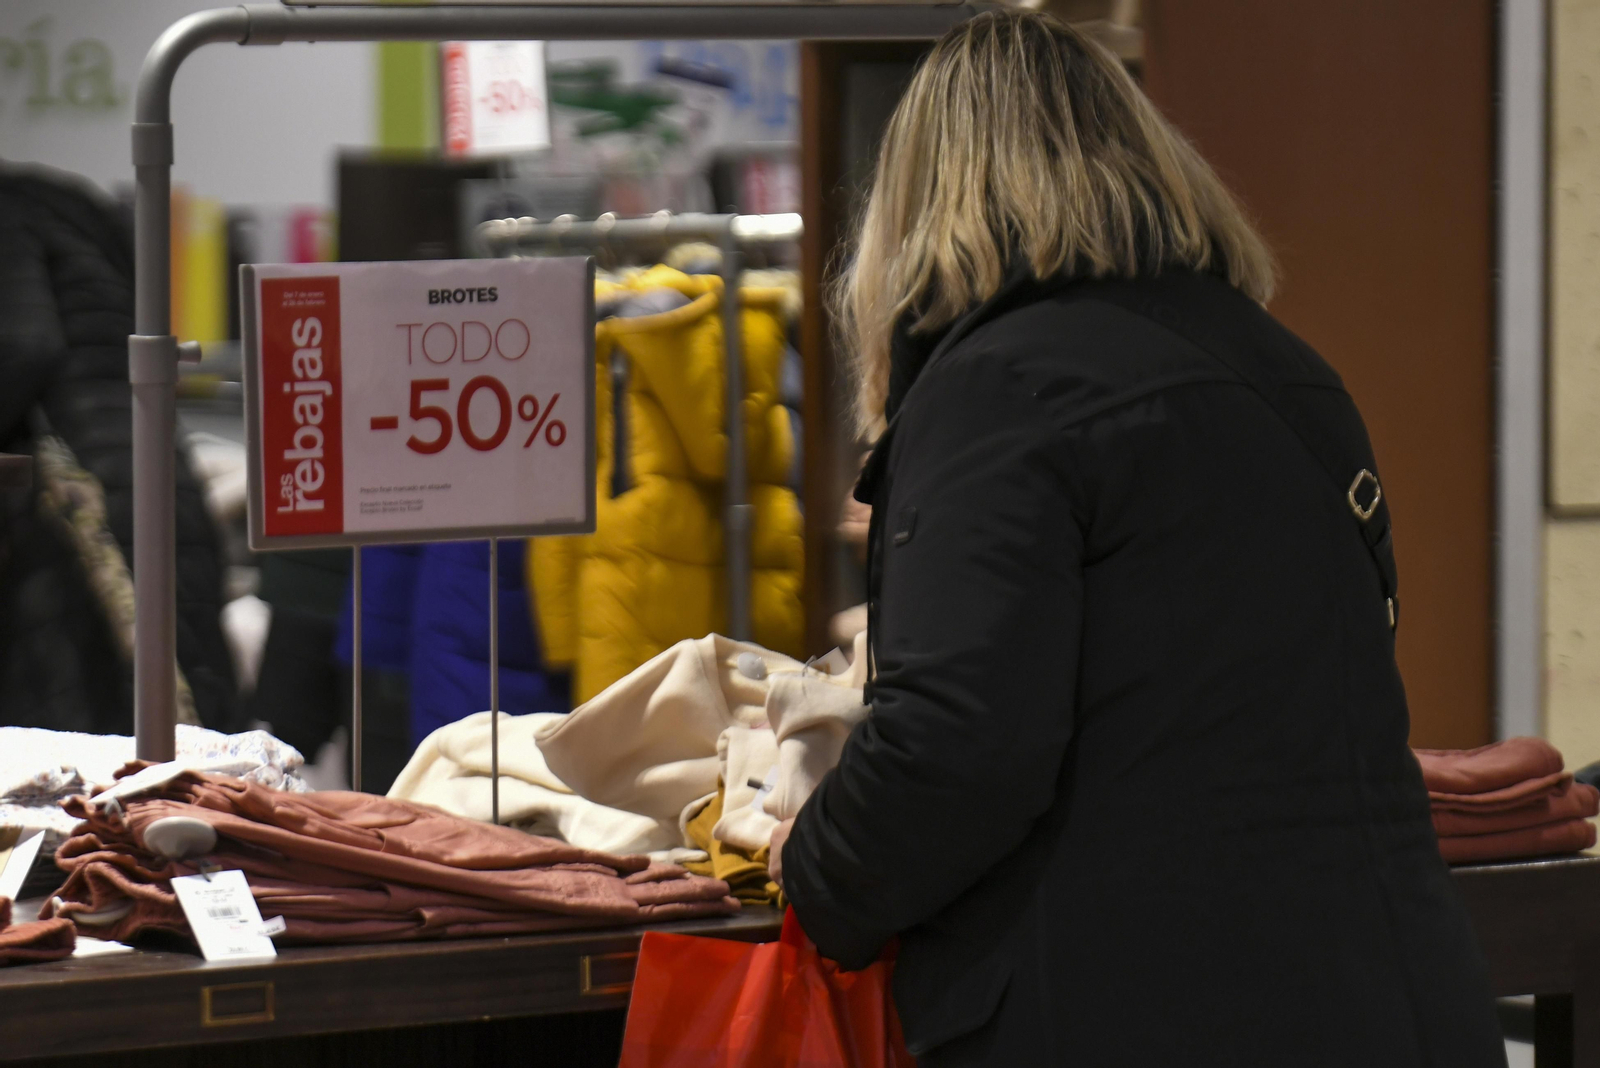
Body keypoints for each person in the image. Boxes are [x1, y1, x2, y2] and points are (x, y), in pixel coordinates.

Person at [767, 12, 1507, 1067]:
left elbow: (956, 745)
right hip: (1392, 992)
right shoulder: (1286, 372)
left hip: (1141, 1007)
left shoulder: (996, 389)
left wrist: (820, 872)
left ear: (924, 197)